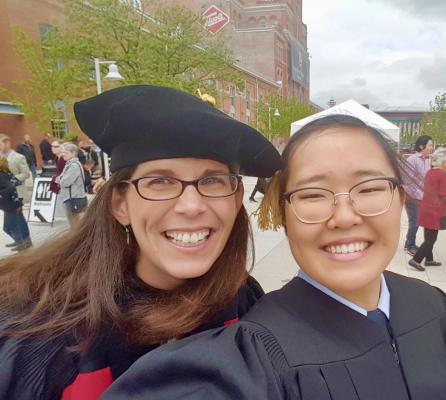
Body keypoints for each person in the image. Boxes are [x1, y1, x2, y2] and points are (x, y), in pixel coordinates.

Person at [104, 115, 446, 400]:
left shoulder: (431, 308)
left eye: (371, 188)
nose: (344, 216)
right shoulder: (252, 355)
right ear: (283, 214)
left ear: (401, 199)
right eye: (313, 195)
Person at [0, 85, 281, 399]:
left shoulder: (243, 300)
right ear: (120, 204)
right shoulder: (41, 336)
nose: (191, 205)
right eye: (160, 181)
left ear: (236, 197)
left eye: (212, 180)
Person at [408, 147, 446, 271]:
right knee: (431, 239)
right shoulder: (442, 174)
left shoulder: (430, 172)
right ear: (443, 161)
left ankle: (429, 259)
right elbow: (443, 193)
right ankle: (416, 259)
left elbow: (435, 190)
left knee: (428, 235)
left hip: (426, 208)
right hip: (435, 210)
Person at [401, 135, 432, 256]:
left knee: (418, 221)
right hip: (412, 197)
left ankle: (410, 243)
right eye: (429, 145)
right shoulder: (412, 160)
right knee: (414, 221)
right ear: (421, 146)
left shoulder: (427, 160)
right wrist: (419, 195)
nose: (431, 148)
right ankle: (409, 245)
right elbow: (407, 182)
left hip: (423, 196)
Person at [0, 157, 32, 252]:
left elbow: (10, 188)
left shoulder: (1, 176)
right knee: (16, 225)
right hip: (13, 204)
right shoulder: (7, 173)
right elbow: (15, 183)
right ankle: (21, 241)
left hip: (11, 205)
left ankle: (22, 242)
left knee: (11, 227)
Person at [56, 143, 89, 225]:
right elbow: (60, 178)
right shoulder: (69, 164)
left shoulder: (74, 166)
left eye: (65, 152)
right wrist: (60, 179)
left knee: (75, 225)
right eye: (62, 152)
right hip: (71, 197)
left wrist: (59, 180)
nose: (63, 154)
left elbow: (64, 182)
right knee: (74, 223)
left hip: (74, 198)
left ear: (73, 153)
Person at [0, 134, 31, 200]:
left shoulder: (19, 157)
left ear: (7, 144)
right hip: (2, 194)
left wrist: (13, 179)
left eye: (0, 144)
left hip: (17, 193)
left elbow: (26, 173)